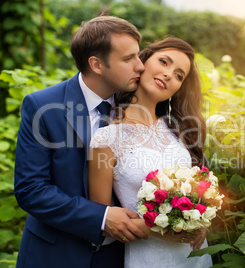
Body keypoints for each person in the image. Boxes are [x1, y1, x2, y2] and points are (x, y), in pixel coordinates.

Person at [14, 16, 149, 268]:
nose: (140, 66)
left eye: (138, 56)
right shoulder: (42, 106)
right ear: (96, 64)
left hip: (121, 256)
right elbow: (31, 189)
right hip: (54, 255)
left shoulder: (139, 103)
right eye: (128, 58)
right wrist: (101, 217)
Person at [89, 37, 213, 268]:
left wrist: (200, 218)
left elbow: (195, 191)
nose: (168, 74)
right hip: (148, 257)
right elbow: (104, 219)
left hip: (195, 256)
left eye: (179, 75)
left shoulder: (179, 130)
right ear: (142, 62)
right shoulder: (106, 138)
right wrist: (169, 230)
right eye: (164, 62)